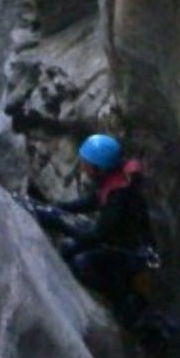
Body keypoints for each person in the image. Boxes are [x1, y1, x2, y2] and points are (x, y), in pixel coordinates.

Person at [34, 133, 158, 324]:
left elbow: (95, 236)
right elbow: (92, 200)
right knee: (68, 249)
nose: (83, 166)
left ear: (99, 168)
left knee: (80, 264)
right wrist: (60, 207)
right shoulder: (114, 180)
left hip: (131, 255)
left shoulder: (120, 197)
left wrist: (57, 222)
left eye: (86, 163)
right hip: (120, 242)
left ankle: (120, 298)